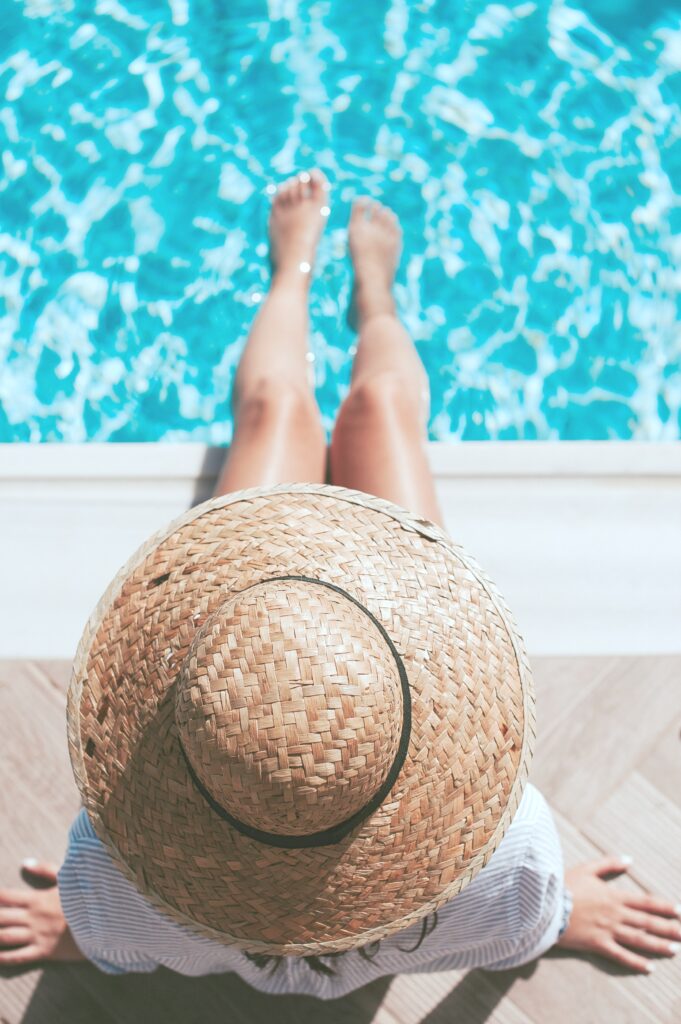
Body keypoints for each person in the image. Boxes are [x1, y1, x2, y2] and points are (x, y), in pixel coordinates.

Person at [1, 170, 679, 1000]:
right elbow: (519, 924)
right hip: (374, 639)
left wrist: (81, 931)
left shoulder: (109, 877)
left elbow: (116, 938)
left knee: (278, 414)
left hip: (260, 624)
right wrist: (554, 915)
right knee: (381, 408)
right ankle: (374, 299)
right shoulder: (508, 855)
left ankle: (293, 271)